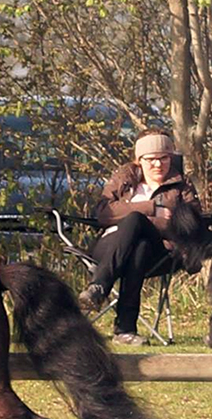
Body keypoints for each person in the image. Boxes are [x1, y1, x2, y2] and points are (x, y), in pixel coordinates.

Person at [78, 128, 201, 346]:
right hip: (110, 246)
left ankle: (99, 288)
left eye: (164, 158)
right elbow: (104, 214)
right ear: (139, 160)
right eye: (151, 159)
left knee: (139, 234)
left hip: (161, 252)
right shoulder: (123, 178)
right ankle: (124, 330)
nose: (158, 164)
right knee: (137, 235)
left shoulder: (181, 185)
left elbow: (190, 225)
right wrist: (151, 208)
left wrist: (146, 220)